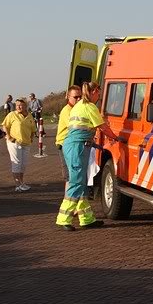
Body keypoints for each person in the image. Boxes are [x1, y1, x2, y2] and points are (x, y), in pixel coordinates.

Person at [55, 81, 121, 231]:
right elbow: (102, 127)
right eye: (98, 92)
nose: (99, 96)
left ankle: (86, 219)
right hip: (77, 147)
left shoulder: (79, 106)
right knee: (77, 182)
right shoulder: (90, 107)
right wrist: (116, 138)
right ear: (93, 92)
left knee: (82, 184)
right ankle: (64, 218)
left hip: (77, 146)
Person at [2, 98, 37, 191]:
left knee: (23, 164)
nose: (19, 107)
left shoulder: (29, 116)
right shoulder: (12, 114)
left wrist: (31, 138)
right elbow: (5, 125)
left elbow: (33, 129)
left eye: (21, 105)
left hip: (26, 143)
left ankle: (21, 182)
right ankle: (17, 184)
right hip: (15, 142)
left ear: (26, 106)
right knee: (16, 162)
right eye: (17, 105)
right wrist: (9, 136)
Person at [55, 85, 82, 186]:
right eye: (75, 97)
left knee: (74, 175)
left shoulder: (77, 109)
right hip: (65, 145)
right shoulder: (67, 111)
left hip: (72, 145)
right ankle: (68, 200)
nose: (78, 99)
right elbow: (75, 127)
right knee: (70, 177)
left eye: (80, 97)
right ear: (68, 96)